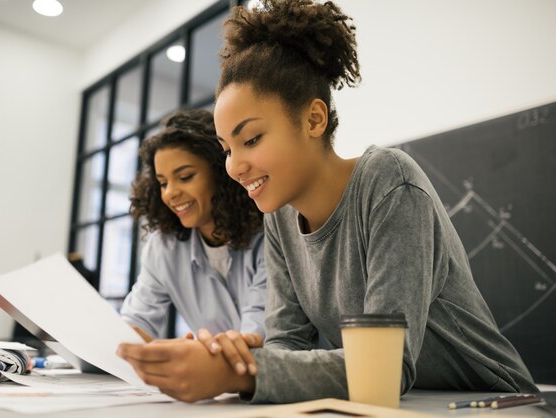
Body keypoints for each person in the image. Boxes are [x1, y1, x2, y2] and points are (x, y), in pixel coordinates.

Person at [117, 0, 537, 403]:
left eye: (251, 139)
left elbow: (385, 370)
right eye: (227, 149)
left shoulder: (389, 182)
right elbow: (287, 345)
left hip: (492, 399)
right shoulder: (280, 216)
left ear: (314, 119)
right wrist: (239, 359)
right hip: (397, 404)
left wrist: (236, 375)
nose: (234, 167)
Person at [119, 109, 266, 354]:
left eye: (185, 177)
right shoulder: (164, 247)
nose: (169, 193)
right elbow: (136, 322)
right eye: (163, 183)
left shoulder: (269, 234)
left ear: (221, 173)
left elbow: (257, 336)